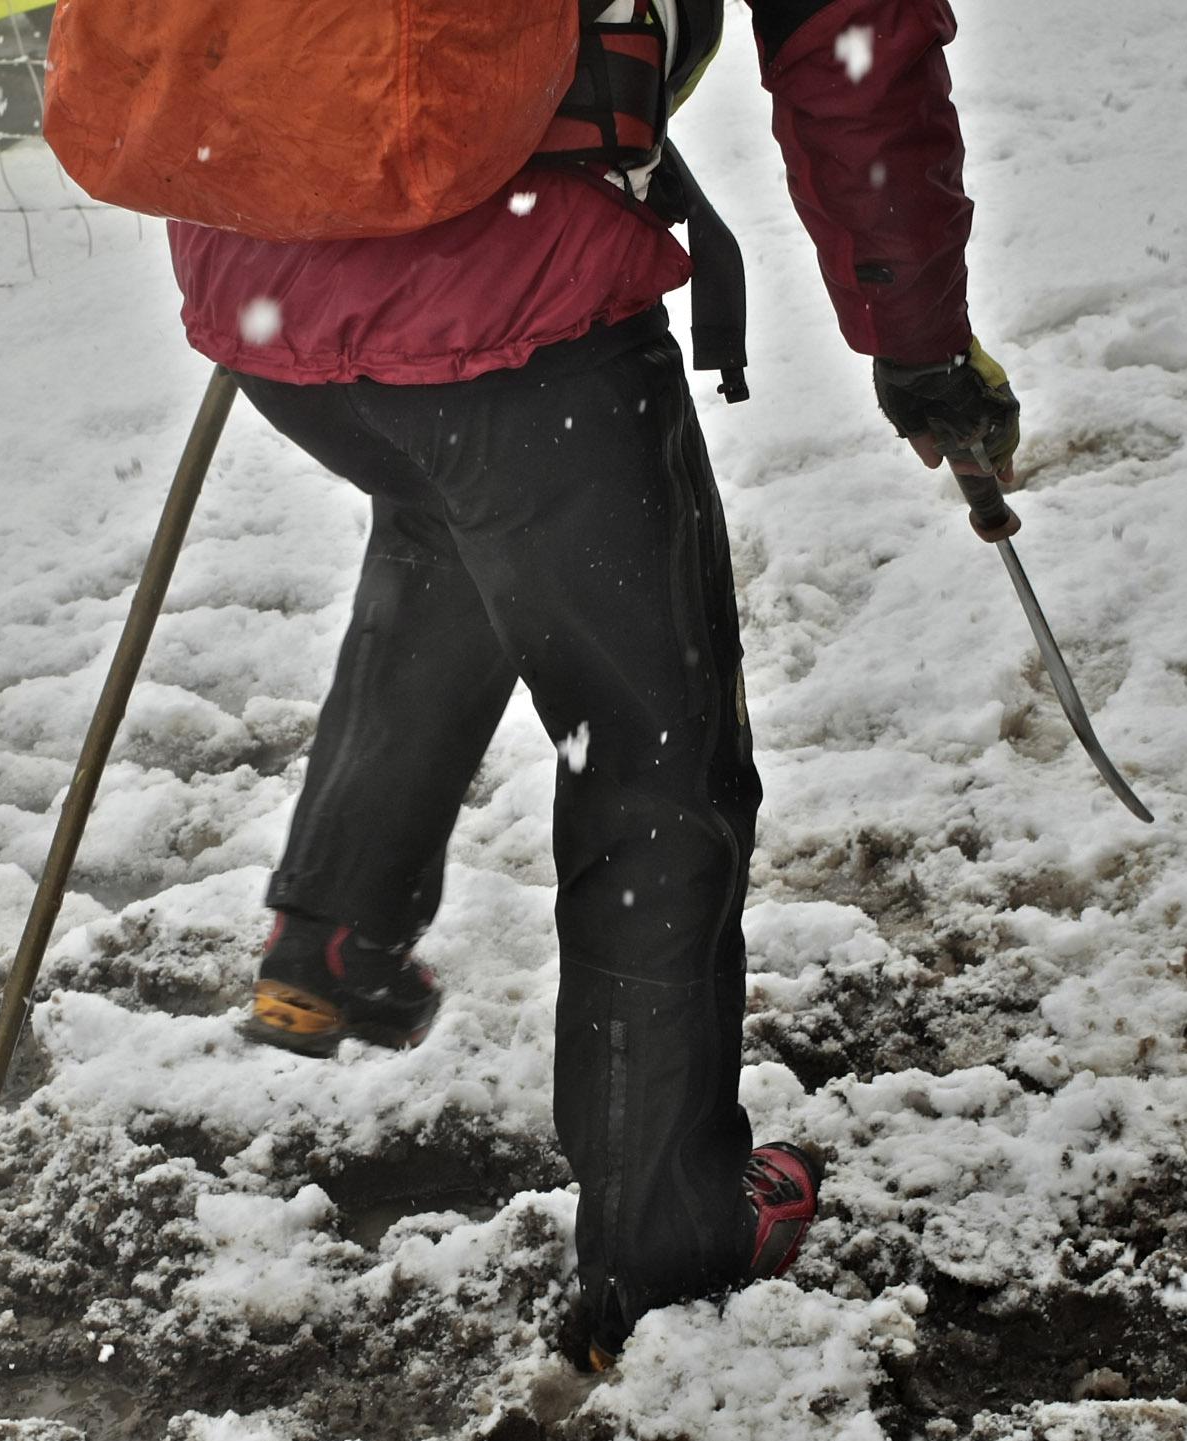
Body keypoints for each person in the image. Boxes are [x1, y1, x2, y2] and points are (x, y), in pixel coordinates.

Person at [162, 0, 1021, 1366]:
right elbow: (853, 47)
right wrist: (917, 335)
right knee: (655, 765)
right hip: (511, 294)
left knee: (455, 514)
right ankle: (667, 1229)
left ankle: (336, 924)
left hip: (270, 273)